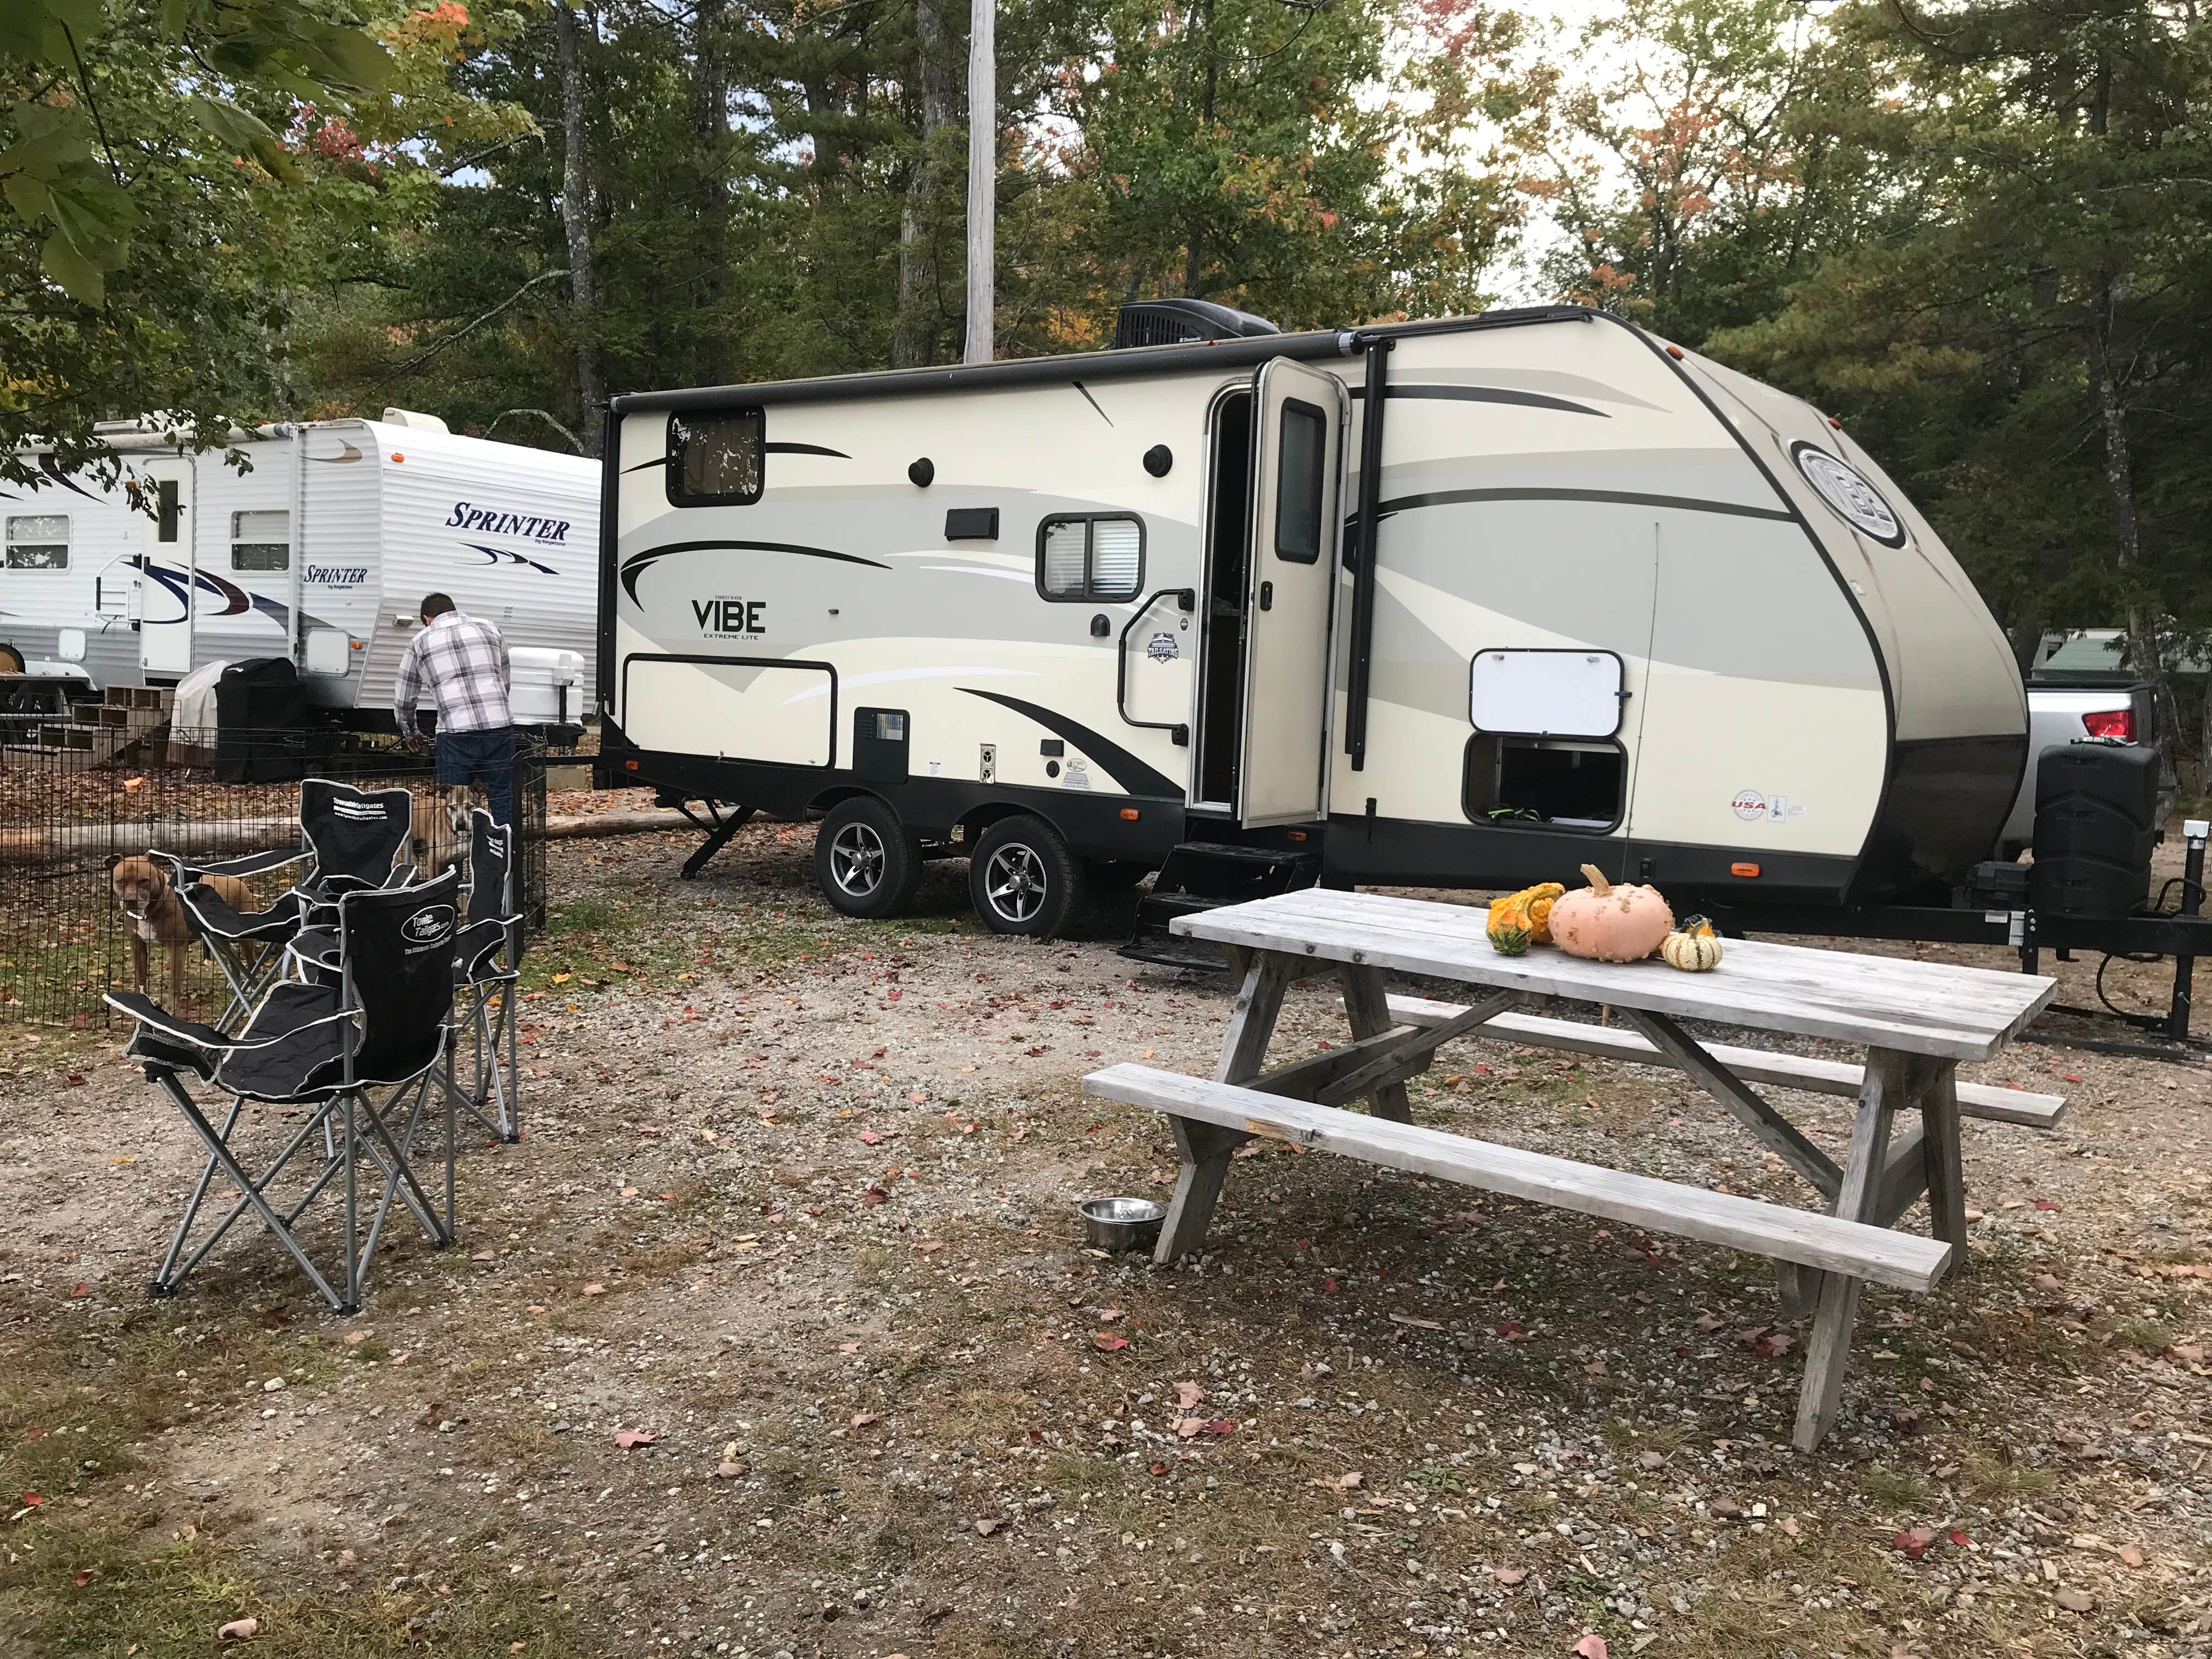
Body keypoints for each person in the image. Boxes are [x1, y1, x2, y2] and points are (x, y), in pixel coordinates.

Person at [393, 592, 516, 825]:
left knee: (452, 800)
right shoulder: (490, 628)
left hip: (455, 733)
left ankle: (453, 861)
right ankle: (504, 853)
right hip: (499, 726)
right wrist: (497, 709)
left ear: (427, 618)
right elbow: (504, 677)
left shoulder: (420, 641)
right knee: (502, 795)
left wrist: (410, 732)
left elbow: (404, 697)